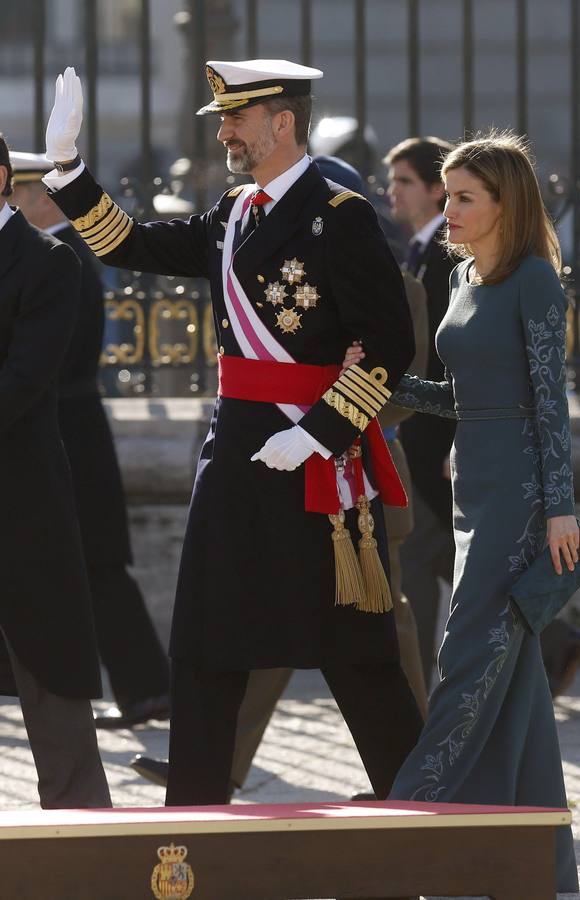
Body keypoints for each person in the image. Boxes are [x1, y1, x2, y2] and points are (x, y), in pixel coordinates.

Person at [43, 63, 423, 807]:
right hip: (236, 459)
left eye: (235, 119)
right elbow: (130, 244)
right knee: (205, 640)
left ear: (283, 122)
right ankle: (192, 816)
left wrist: (318, 432)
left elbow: (387, 344)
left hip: (315, 466)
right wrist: (68, 170)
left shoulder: (339, 214)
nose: (223, 133)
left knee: (357, 653)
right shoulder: (233, 211)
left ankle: (420, 808)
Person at [384, 131, 579, 891]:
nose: (450, 209)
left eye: (465, 197)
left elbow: (549, 403)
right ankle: (535, 868)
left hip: (520, 505)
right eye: (448, 195)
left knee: (465, 662)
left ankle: (402, 829)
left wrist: (559, 511)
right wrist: (383, 385)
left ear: (506, 203)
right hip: (472, 492)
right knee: (516, 685)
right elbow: (462, 397)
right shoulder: (466, 277)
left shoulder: (534, 281)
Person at [9, 151, 171, 730]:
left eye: (18, 194)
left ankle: (148, 689)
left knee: (96, 566)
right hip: (66, 426)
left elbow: (52, 359)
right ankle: (145, 689)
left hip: (67, 430)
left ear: (39, 197)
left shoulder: (59, 257)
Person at [0, 134, 110, 809]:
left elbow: (27, 377)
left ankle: (81, 827)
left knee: (50, 671)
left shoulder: (48, 260)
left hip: (20, 497)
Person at [384, 137, 457, 687]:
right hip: (424, 437)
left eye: (404, 181)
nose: (392, 191)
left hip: (437, 439)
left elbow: (445, 357)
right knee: (443, 557)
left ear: (436, 189)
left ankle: (416, 690)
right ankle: (557, 639)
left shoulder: (445, 257)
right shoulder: (418, 250)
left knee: (423, 558)